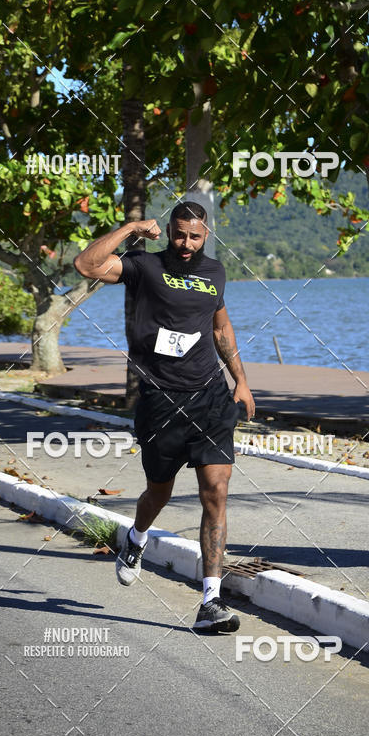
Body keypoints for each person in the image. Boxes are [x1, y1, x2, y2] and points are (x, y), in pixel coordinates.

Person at [74, 201, 255, 633]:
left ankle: (211, 601)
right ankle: (136, 538)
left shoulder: (214, 272)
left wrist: (241, 381)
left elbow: (219, 327)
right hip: (160, 400)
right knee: (159, 491)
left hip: (210, 398)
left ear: (205, 234)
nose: (187, 244)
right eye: (179, 234)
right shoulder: (142, 266)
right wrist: (131, 228)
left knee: (216, 489)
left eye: (195, 236)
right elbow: (85, 264)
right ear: (169, 231)